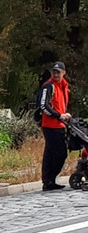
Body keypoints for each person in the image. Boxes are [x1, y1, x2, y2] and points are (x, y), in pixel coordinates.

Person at [39, 61, 70, 191]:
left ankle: (49, 180)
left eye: (58, 72)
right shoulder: (48, 86)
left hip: (60, 125)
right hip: (50, 125)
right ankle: (49, 180)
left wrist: (65, 115)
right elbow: (43, 105)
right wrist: (58, 115)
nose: (56, 74)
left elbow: (61, 104)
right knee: (58, 153)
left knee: (52, 153)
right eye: (54, 72)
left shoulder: (64, 86)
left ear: (64, 73)